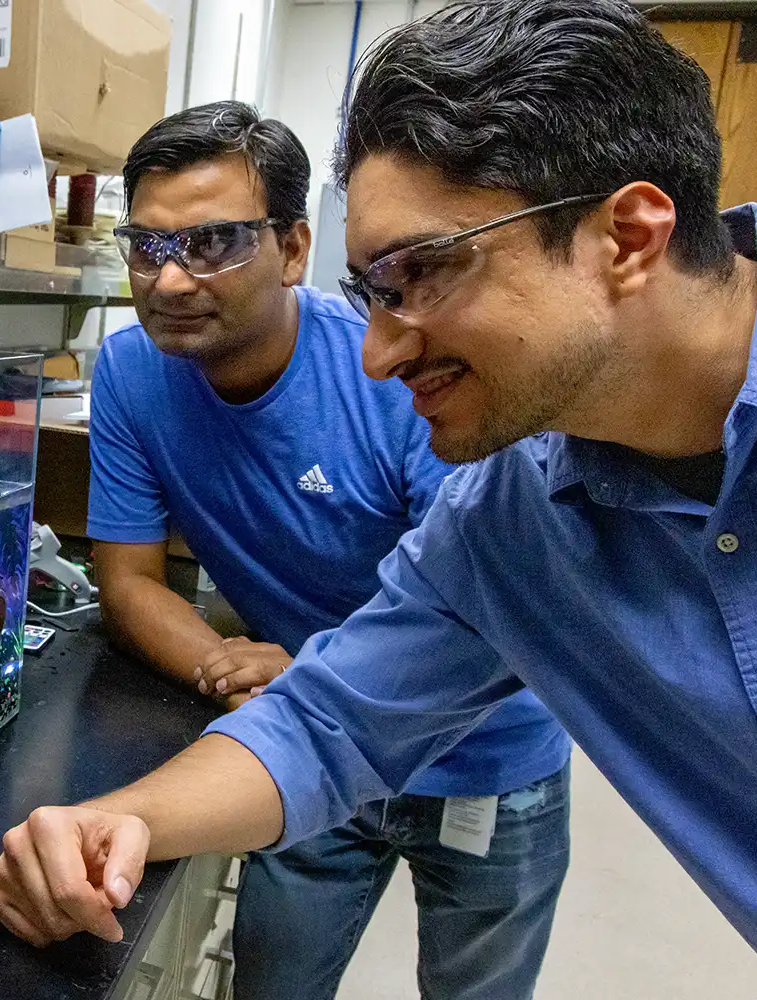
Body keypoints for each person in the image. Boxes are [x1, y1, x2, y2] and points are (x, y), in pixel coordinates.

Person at [0, 2, 757, 998]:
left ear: (628, 235)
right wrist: (119, 820)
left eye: (422, 274)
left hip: (493, 773)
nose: (379, 353)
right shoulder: (512, 514)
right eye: (374, 289)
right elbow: (332, 720)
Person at [87, 101, 571, 1000]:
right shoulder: (128, 374)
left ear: (296, 249)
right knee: (270, 976)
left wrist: (304, 670)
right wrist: (223, 665)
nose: (171, 281)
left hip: (484, 758)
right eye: (147, 248)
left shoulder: (400, 378)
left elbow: (479, 611)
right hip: (301, 739)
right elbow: (128, 582)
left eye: (214, 243)